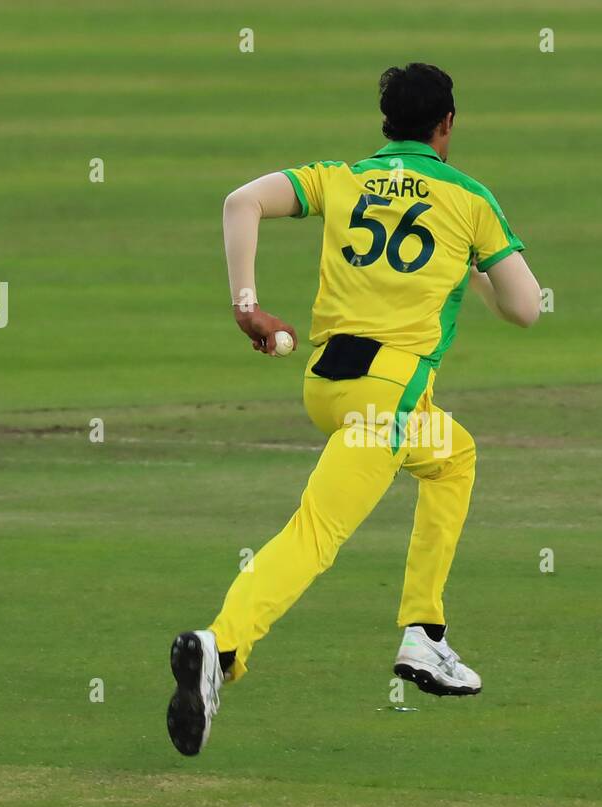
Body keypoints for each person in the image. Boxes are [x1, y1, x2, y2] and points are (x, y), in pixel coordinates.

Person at [168, 62, 541, 756]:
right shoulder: (468, 198)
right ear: (447, 125)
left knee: (454, 454)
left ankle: (424, 635)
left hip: (328, 382)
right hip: (388, 400)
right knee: (316, 534)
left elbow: (239, 202)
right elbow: (526, 308)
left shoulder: (341, 177)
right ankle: (218, 648)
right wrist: (471, 270)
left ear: (386, 124)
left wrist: (247, 308)